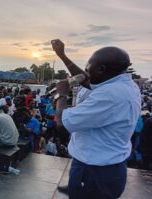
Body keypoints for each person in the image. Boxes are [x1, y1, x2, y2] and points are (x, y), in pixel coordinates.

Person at [52, 39, 141, 199]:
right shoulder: (121, 83)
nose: (85, 72)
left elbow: (62, 124)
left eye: (88, 67)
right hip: (106, 167)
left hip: (94, 171)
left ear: (101, 69)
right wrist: (62, 56)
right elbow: (87, 80)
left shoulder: (110, 95)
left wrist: (61, 94)